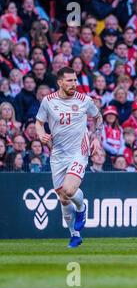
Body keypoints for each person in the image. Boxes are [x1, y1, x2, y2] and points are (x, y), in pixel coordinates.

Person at [35, 67, 102, 248]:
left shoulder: (84, 100)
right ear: (60, 82)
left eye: (75, 80)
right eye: (70, 81)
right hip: (57, 154)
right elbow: (39, 123)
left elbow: (98, 117)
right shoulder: (48, 102)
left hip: (78, 151)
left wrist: (96, 137)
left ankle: (81, 208)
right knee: (63, 198)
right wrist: (41, 135)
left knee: (70, 190)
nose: (74, 84)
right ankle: (74, 234)